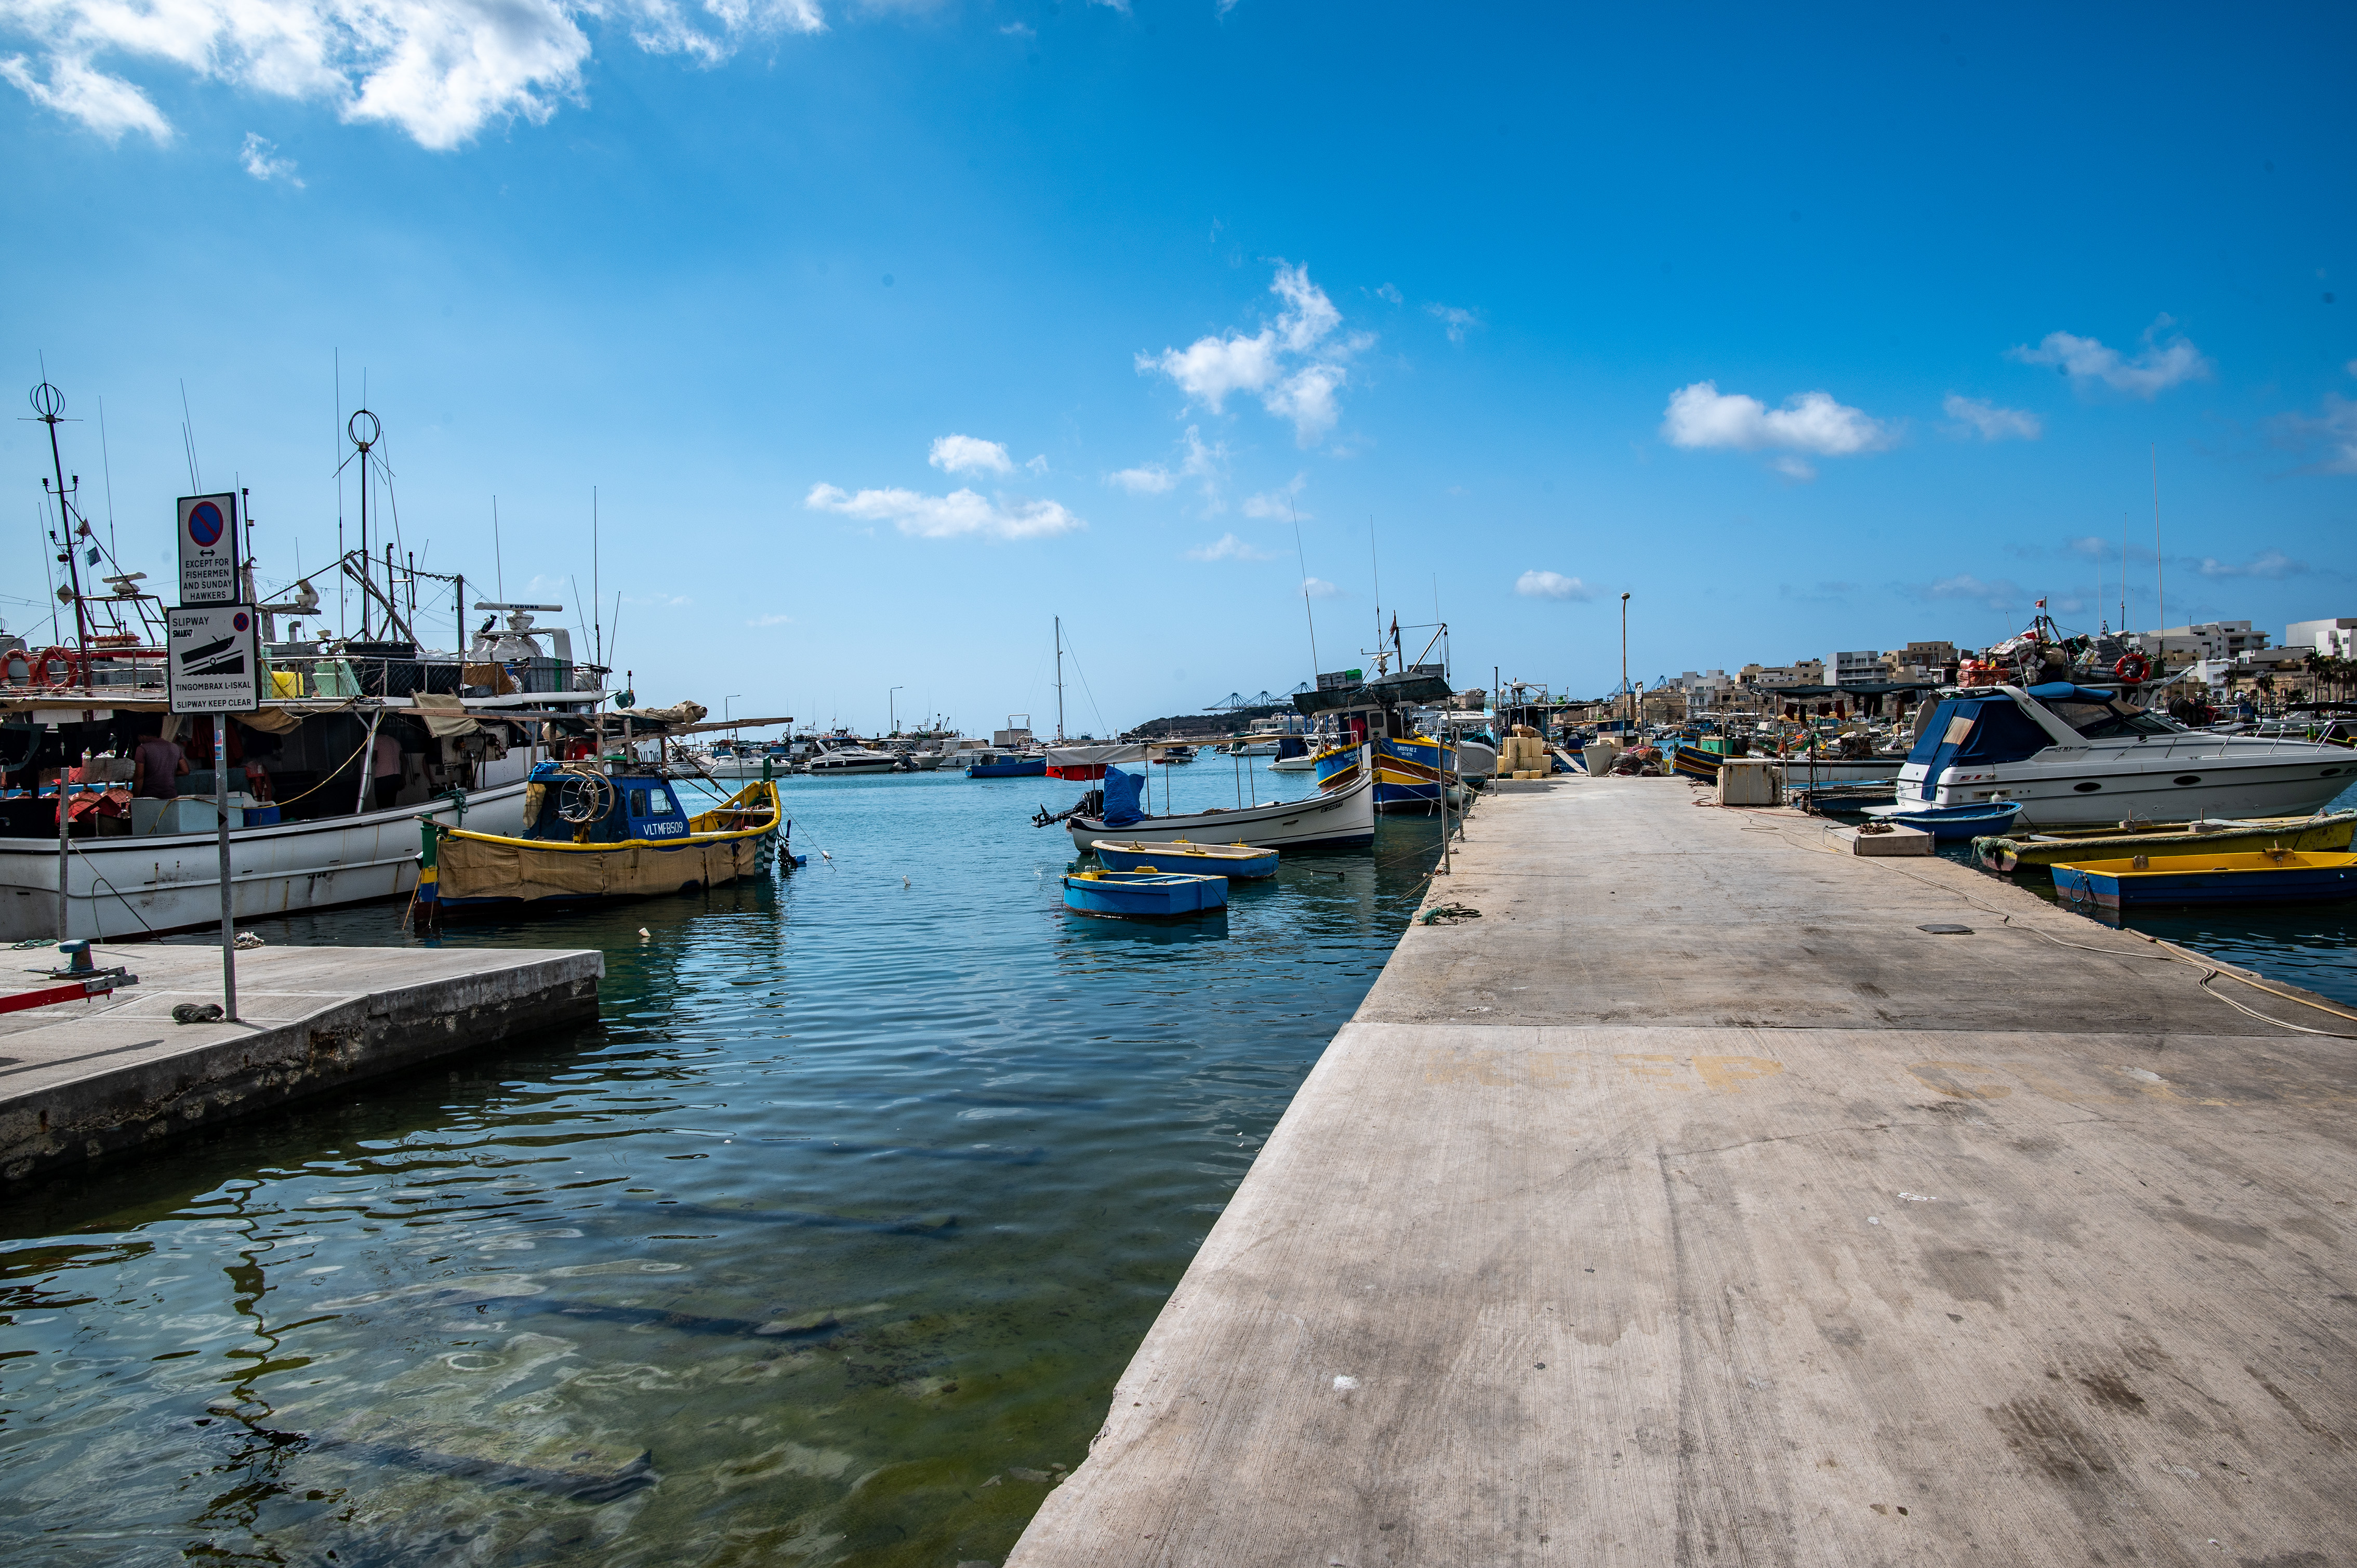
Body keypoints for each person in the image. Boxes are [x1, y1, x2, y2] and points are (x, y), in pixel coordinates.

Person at [132, 730, 188, 800]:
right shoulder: (175, 747)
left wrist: (135, 799)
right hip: (170, 795)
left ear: (141, 736)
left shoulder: (143, 749)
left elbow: (139, 777)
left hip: (149, 796)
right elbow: (185, 771)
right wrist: (167, 772)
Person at [372, 729, 402, 812]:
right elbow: (404, 761)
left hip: (383, 777)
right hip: (396, 777)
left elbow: (372, 758)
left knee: (382, 806)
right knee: (391, 804)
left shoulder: (378, 739)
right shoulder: (396, 742)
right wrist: (402, 778)